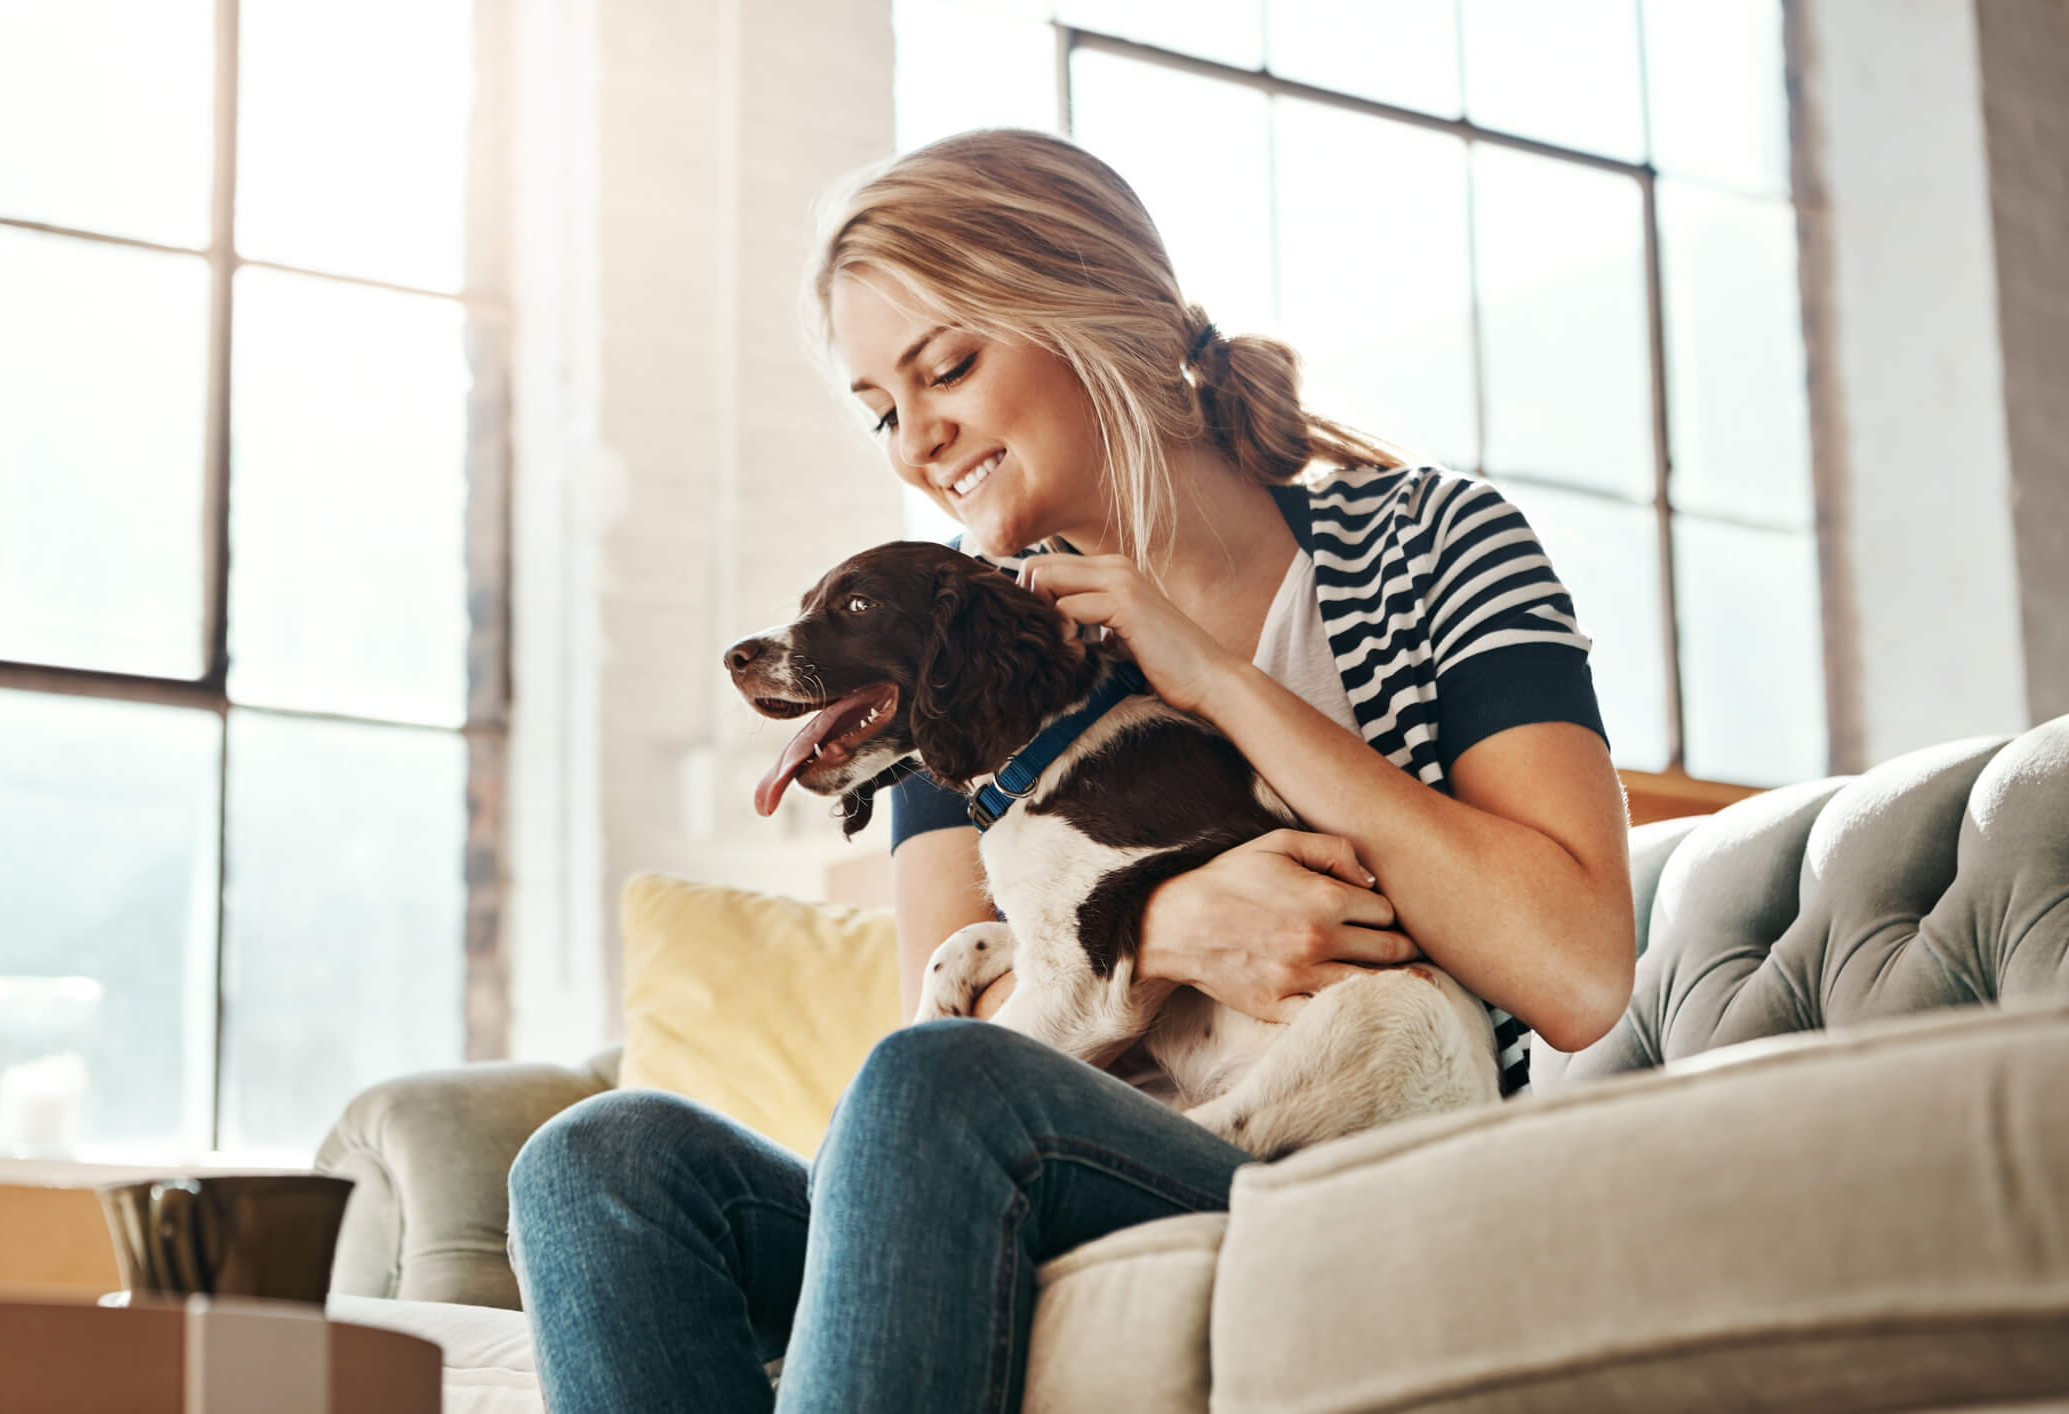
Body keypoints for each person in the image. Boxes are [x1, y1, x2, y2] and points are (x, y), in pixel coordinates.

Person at [508, 128, 1636, 1413]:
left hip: (1352, 1168)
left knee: (935, 1095)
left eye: (949, 369)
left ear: (1097, 313)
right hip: (1035, 1170)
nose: (917, 441)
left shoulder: (1435, 547)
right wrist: (1162, 929)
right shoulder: (975, 647)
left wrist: (1219, 682)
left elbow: (1578, 968)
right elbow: (953, 1025)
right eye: (883, 410)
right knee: (602, 1161)